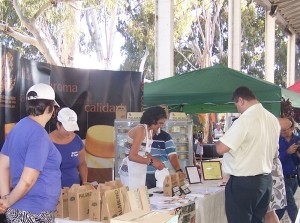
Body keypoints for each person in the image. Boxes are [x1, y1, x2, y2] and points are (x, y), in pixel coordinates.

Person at [216, 86, 280, 223]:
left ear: (240, 100)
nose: (238, 110)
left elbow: (221, 148)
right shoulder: (272, 119)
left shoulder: (245, 120)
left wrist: (219, 141)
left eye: (236, 106)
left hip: (244, 182)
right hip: (265, 180)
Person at [0, 83, 62, 222]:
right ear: (50, 108)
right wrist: (8, 201)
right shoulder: (39, 134)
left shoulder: (18, 127)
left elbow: (2, 164)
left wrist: (6, 198)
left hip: (21, 210)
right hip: (34, 212)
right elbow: (29, 179)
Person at [119, 106, 166, 189]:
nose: (161, 126)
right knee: (132, 198)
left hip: (139, 170)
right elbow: (132, 156)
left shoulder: (150, 132)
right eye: (160, 123)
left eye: (162, 123)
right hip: (130, 170)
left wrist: (156, 161)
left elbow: (145, 153)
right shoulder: (140, 130)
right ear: (152, 120)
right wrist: (151, 162)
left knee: (139, 196)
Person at [49, 107, 87, 188]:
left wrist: (85, 183)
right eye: (67, 128)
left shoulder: (77, 140)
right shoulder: (47, 142)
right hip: (52, 191)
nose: (70, 132)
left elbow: (82, 163)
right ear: (58, 125)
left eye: (72, 128)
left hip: (73, 190)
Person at [275, 117, 300, 222]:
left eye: (285, 130)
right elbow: (273, 159)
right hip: (282, 177)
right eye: (280, 130)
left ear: (292, 128)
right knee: (291, 205)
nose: (282, 132)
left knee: (282, 207)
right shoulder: (276, 141)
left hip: (294, 178)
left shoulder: (298, 140)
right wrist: (287, 152)